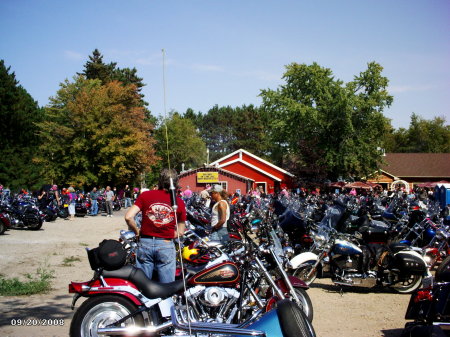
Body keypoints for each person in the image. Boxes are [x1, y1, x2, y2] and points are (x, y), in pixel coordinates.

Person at [125, 168, 186, 282]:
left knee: (143, 285)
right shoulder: (179, 202)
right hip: (166, 244)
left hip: (145, 243)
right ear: (176, 182)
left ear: (160, 181)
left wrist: (137, 231)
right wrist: (167, 234)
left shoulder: (145, 195)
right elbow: (181, 232)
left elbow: (128, 216)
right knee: (166, 287)